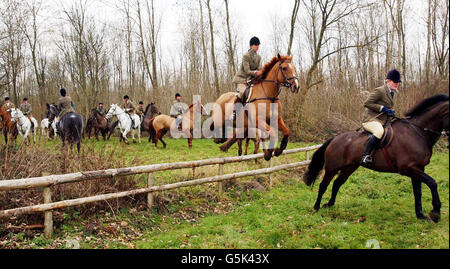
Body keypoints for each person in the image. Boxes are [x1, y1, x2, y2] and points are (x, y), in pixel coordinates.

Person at [361, 69, 401, 165]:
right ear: (388, 81)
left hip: (383, 121)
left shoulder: (392, 92)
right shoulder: (379, 90)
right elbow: (367, 103)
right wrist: (383, 109)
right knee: (379, 131)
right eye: (395, 82)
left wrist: (391, 112)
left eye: (398, 82)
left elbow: (387, 108)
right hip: (370, 120)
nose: (397, 84)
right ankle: (366, 155)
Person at [231, 36, 263, 120]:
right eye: (256, 45)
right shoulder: (246, 56)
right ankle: (234, 112)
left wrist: (262, 72)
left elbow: (260, 68)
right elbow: (247, 71)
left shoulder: (259, 57)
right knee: (241, 93)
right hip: (242, 79)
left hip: (252, 80)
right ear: (251, 46)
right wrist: (256, 72)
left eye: (258, 45)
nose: (257, 46)